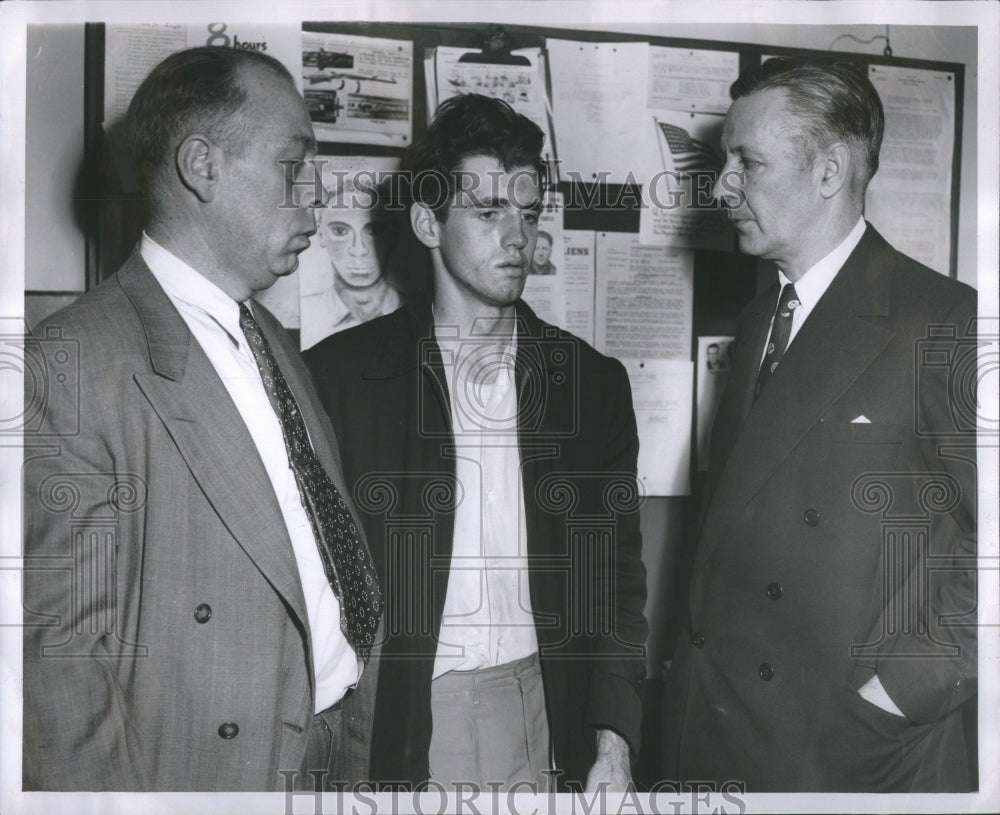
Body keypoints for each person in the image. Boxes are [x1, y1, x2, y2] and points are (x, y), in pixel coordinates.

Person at [22, 46, 382, 791]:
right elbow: (57, 667)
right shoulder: (70, 361)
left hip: (332, 747)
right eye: (294, 164)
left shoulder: (273, 340)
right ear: (203, 167)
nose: (316, 194)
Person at [305, 94, 647, 793]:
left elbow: (614, 580)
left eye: (528, 213)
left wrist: (612, 744)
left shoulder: (591, 383)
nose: (517, 236)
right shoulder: (340, 378)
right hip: (404, 722)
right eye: (489, 213)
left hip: (548, 715)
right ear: (429, 223)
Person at [661, 58, 978, 792]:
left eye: (749, 162)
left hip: (848, 753)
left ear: (830, 171)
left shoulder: (943, 322)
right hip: (724, 731)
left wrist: (902, 690)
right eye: (722, 161)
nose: (721, 187)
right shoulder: (760, 319)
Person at [300, 177, 402, 349]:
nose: (359, 250)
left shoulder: (421, 313)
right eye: (340, 231)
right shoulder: (305, 313)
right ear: (320, 234)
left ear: (394, 233)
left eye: (374, 230)